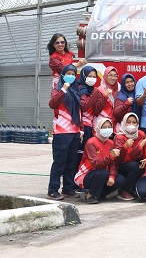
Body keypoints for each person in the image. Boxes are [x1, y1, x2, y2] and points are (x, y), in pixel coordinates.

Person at [47, 64, 83, 200]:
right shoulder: (57, 89)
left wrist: (81, 129)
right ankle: (52, 190)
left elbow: (79, 111)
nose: (71, 76)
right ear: (62, 74)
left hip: (74, 131)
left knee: (71, 162)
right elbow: (52, 104)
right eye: (68, 73)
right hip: (61, 132)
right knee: (59, 162)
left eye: (73, 74)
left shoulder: (76, 90)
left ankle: (68, 188)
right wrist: (63, 89)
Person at [74, 117, 126, 204]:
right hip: (87, 175)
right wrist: (111, 156)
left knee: (120, 180)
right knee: (103, 172)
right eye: (104, 127)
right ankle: (90, 195)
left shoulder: (111, 143)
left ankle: (99, 194)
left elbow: (113, 163)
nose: (107, 129)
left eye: (109, 127)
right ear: (98, 129)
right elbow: (96, 164)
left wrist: (112, 176)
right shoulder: (91, 142)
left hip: (102, 174)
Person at [113, 113, 145, 201]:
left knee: (141, 165)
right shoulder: (119, 137)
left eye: (134, 122)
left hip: (135, 163)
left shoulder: (141, 134)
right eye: (129, 122)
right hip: (121, 166)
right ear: (124, 123)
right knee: (135, 166)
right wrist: (125, 147)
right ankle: (123, 190)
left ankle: (133, 189)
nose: (131, 125)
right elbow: (118, 159)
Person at [77, 66, 104, 159]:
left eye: (94, 76)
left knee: (87, 151)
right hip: (82, 126)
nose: (92, 79)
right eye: (90, 76)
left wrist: (103, 97)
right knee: (80, 152)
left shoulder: (92, 90)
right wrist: (96, 94)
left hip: (90, 125)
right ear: (84, 76)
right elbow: (83, 106)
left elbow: (96, 110)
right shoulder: (81, 89)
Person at [97, 67, 119, 132]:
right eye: (110, 75)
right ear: (105, 76)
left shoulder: (117, 90)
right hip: (101, 123)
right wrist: (105, 95)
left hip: (112, 124)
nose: (113, 78)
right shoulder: (99, 90)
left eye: (115, 76)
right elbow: (96, 109)